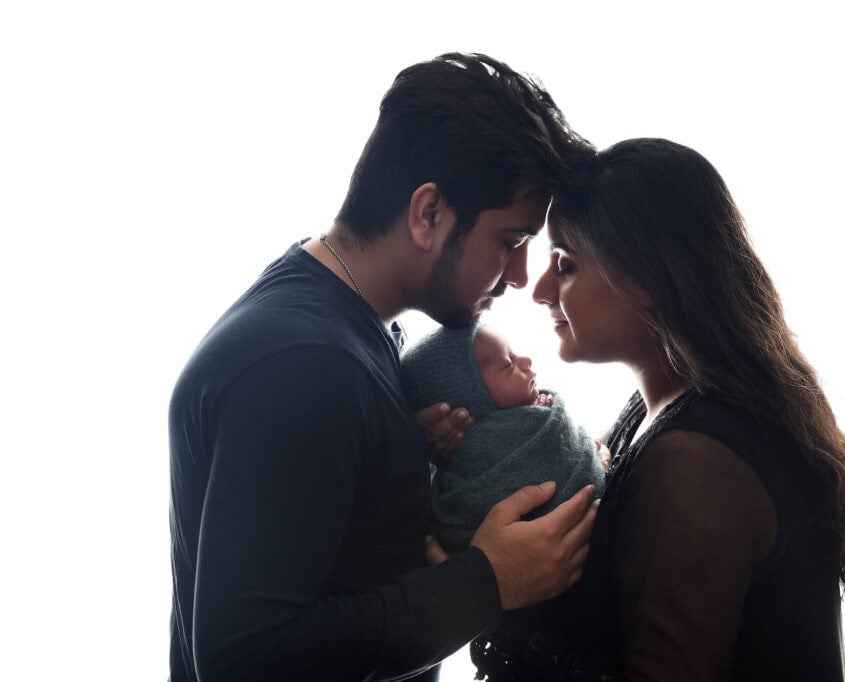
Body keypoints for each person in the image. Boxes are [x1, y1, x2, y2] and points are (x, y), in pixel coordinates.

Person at [167, 53, 599, 682]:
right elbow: (246, 660)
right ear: (428, 215)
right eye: (509, 242)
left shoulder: (341, 326)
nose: (518, 277)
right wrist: (487, 582)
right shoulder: (305, 366)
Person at [438, 138, 845, 681]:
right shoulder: (653, 413)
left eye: (566, 264)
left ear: (647, 278)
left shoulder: (696, 463)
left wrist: (493, 606)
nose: (540, 289)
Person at [401, 323, 607, 552]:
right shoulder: (487, 449)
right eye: (508, 364)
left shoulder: (537, 409)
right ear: (473, 401)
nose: (526, 360)